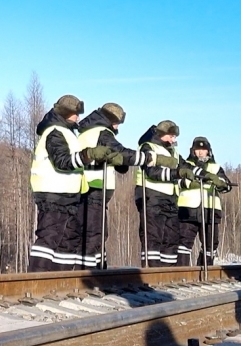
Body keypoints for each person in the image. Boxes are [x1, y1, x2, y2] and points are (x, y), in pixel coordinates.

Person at [76, 103, 172, 268]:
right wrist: (150, 158)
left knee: (94, 233)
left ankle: (98, 271)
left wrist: (119, 163)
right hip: (94, 187)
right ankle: (90, 276)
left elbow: (114, 157)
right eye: (117, 122)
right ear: (110, 119)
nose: (118, 126)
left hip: (85, 187)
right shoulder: (103, 133)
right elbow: (122, 152)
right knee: (94, 234)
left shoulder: (86, 132)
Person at [28, 95, 115, 271]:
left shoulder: (67, 133)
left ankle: (62, 281)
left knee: (68, 238)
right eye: (76, 114)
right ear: (67, 113)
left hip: (68, 195)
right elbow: (63, 161)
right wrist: (88, 154)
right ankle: (36, 279)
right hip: (52, 193)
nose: (79, 118)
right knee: (50, 237)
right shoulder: (55, 132)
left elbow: (75, 162)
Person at [135, 120, 205, 266]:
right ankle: (152, 273)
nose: (174, 140)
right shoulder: (148, 147)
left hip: (171, 199)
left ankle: (169, 273)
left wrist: (204, 175)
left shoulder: (173, 151)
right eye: (171, 136)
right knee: (153, 236)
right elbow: (152, 172)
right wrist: (177, 173)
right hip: (151, 196)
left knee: (171, 237)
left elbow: (185, 165)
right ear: (162, 134)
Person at [177, 136, 231, 265]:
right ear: (192, 151)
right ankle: (181, 272)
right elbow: (177, 182)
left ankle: (204, 269)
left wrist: (220, 183)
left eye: (203, 149)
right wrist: (194, 183)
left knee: (211, 244)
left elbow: (226, 185)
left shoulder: (216, 168)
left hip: (210, 210)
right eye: (197, 149)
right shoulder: (185, 165)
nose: (200, 152)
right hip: (188, 210)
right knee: (184, 243)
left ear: (208, 151)